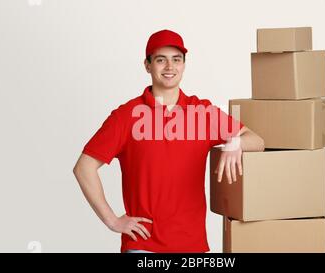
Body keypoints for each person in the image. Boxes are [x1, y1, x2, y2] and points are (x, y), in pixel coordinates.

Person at [73, 29, 265, 253]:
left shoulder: (201, 112)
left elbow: (257, 141)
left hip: (192, 247)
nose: (169, 67)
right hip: (144, 246)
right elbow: (84, 167)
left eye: (176, 60)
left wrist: (235, 143)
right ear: (147, 65)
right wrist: (112, 220)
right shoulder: (127, 116)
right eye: (160, 60)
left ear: (184, 65)